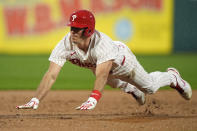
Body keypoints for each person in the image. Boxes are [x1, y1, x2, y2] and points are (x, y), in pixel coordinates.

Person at [16, 10, 192, 110]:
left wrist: (93, 98)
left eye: (77, 29)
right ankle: (131, 89)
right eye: (71, 28)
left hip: (122, 62)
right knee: (115, 83)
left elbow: (101, 75)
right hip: (99, 64)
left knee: (150, 87)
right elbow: (51, 74)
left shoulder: (102, 45)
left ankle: (172, 77)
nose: (72, 32)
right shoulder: (65, 44)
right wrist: (36, 99)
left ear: (88, 31)